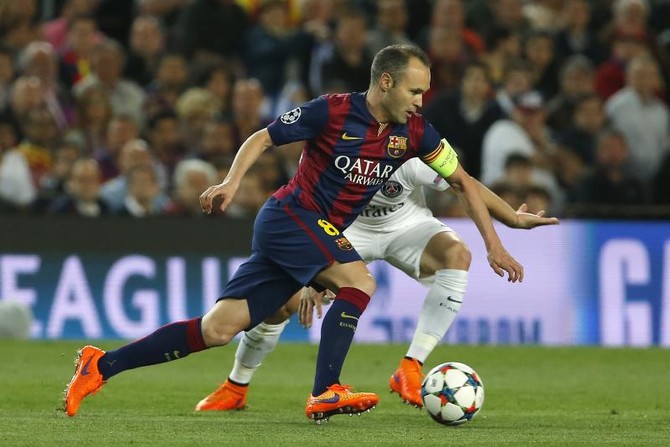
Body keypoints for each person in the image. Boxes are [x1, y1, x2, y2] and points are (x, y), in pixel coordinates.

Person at [63, 44, 523, 422]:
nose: (421, 100)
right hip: (291, 216)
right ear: (386, 82)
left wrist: (496, 243)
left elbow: (463, 182)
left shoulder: (417, 133)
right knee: (359, 281)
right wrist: (231, 182)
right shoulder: (332, 111)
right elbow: (263, 137)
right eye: (415, 90)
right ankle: (326, 390)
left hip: (312, 231)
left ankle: (101, 365)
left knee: (218, 329)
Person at [195, 157, 558, 412]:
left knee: (457, 254)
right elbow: (308, 203)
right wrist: (309, 274)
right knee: (281, 304)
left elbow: (465, 183)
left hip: (407, 225)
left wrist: (510, 218)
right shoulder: (336, 145)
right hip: (344, 230)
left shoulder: (413, 150)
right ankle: (236, 386)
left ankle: (410, 367)